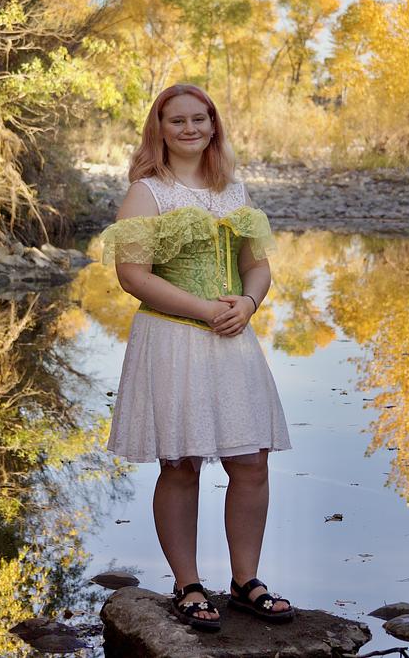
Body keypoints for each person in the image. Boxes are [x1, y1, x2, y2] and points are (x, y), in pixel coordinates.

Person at [100, 83, 293, 633]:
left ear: (213, 125)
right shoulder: (147, 193)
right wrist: (205, 310)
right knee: (180, 464)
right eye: (177, 120)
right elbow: (132, 276)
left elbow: (257, 265)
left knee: (251, 461)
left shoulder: (235, 190)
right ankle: (187, 585)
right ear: (159, 129)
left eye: (199, 118)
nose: (189, 128)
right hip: (173, 337)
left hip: (233, 338)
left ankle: (246, 583)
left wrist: (248, 303)